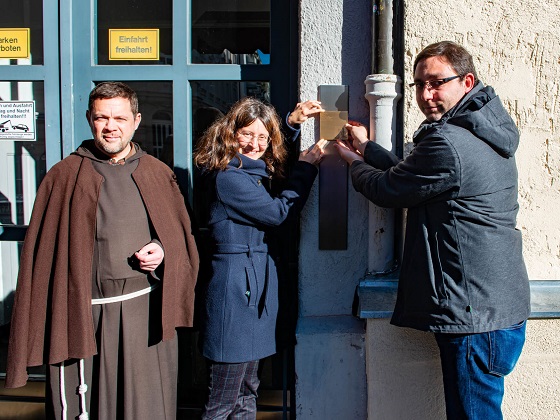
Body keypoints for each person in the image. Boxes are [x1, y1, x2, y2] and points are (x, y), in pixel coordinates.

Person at [335, 41, 531, 419]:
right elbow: (414, 177)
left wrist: (350, 161)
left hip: (475, 316)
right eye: (419, 84)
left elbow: (390, 189)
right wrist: (369, 149)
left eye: (437, 83)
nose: (426, 95)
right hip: (494, 306)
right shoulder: (481, 129)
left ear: (467, 81)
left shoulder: (449, 141)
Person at [5, 82, 199, 420]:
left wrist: (161, 248)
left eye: (120, 118)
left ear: (136, 121)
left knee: (145, 407)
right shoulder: (64, 176)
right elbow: (42, 256)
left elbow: (180, 238)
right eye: (102, 118)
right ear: (89, 119)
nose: (111, 127)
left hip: (144, 316)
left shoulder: (157, 172)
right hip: (81, 316)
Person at [193, 97, 324, 419]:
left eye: (263, 137)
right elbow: (279, 212)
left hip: (251, 288)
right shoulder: (228, 178)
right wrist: (307, 167)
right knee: (222, 401)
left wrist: (291, 125)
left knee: (248, 390)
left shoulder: (249, 171)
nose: (255, 144)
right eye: (247, 134)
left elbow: (273, 173)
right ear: (230, 134)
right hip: (234, 294)